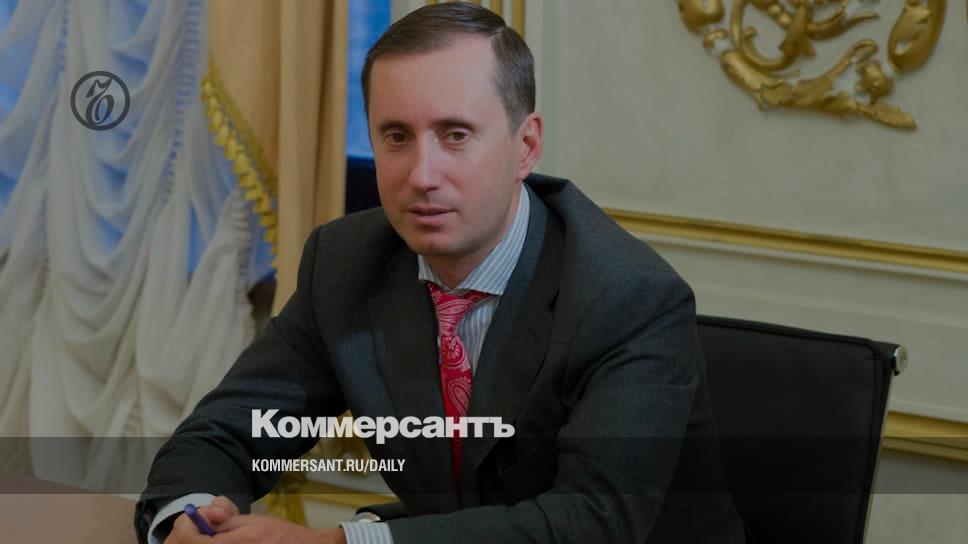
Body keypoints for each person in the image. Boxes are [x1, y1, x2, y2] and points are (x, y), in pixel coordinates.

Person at [135, 3, 746, 543]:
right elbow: (223, 433)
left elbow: (593, 521)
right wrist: (192, 519)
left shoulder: (627, 296)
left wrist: (338, 543)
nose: (422, 175)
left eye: (455, 135)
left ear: (526, 146)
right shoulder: (346, 262)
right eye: (396, 136)